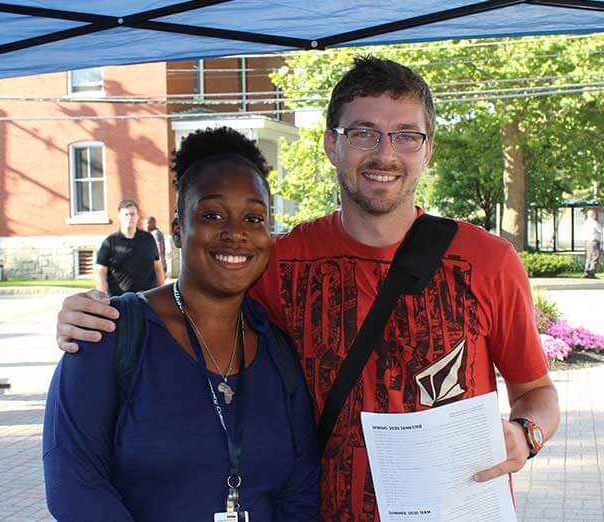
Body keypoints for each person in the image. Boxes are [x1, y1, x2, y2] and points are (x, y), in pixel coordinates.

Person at [55, 57, 560, 521]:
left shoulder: (488, 262)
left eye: (407, 135)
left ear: (428, 149)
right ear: (330, 143)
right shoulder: (279, 262)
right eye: (364, 132)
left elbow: (536, 392)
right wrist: (94, 312)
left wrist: (525, 434)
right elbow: (198, 293)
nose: (385, 153)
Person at [43, 127, 320, 521]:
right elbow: (73, 483)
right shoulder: (107, 334)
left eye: (253, 217)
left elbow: (301, 486)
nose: (235, 232)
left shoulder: (275, 348)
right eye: (212, 214)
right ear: (176, 229)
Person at [95, 199, 166, 296]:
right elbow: (100, 272)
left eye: (132, 214)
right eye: (126, 214)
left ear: (137, 216)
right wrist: (102, 295)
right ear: (119, 217)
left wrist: (162, 293)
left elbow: (158, 266)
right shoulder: (109, 243)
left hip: (147, 300)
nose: (130, 218)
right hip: (120, 301)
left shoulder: (148, 239)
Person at [583, 207, 603, 279]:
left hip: (587, 242)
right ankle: (591, 272)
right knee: (595, 257)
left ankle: (586, 272)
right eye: (595, 214)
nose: (596, 215)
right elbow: (600, 230)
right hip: (594, 241)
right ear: (593, 215)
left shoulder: (586, 222)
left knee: (588, 257)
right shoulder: (594, 222)